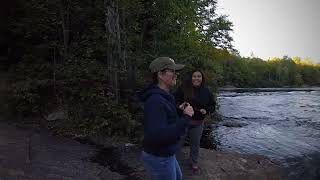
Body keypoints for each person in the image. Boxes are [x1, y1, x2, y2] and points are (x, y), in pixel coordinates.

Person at [139, 57, 194, 180]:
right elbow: (161, 136)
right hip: (159, 156)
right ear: (160, 74)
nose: (176, 74)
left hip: (166, 153)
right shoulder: (155, 101)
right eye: (173, 71)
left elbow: (167, 121)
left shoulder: (165, 96)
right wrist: (186, 117)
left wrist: (179, 112)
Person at [174, 69, 216, 173]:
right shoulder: (183, 88)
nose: (196, 78)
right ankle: (173, 162)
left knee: (195, 144)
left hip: (198, 124)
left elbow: (212, 106)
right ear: (191, 78)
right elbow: (174, 100)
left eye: (199, 76)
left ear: (202, 78)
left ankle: (194, 162)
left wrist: (206, 110)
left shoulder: (207, 91)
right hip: (183, 122)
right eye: (194, 76)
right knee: (178, 143)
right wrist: (180, 106)